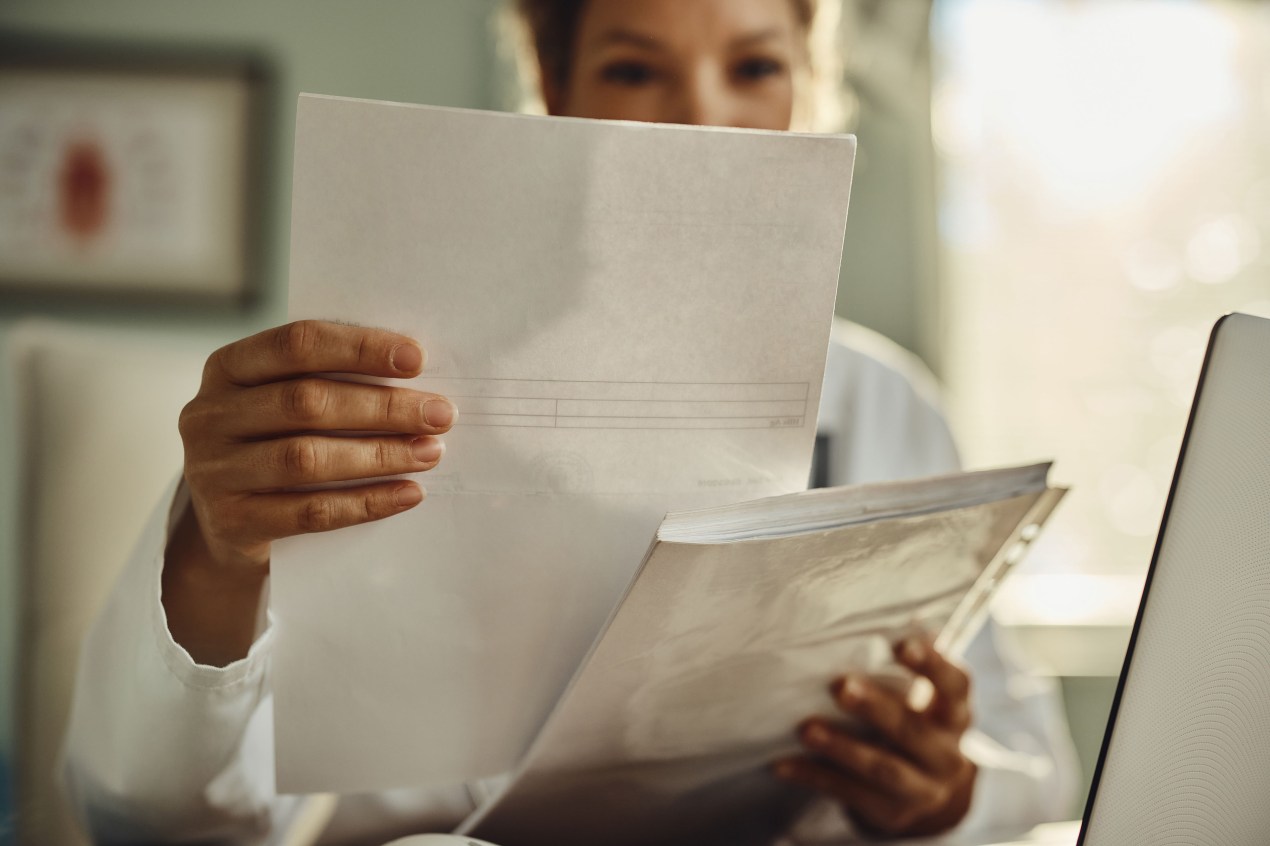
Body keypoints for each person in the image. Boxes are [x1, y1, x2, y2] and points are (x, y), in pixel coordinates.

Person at [62, 0, 1078, 843]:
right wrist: (216, 552)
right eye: (635, 72)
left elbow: (1036, 779)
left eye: (757, 66)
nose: (701, 121)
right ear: (555, 95)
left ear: (812, 92)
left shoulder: (883, 400)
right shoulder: (363, 389)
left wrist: (941, 794)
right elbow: (153, 820)